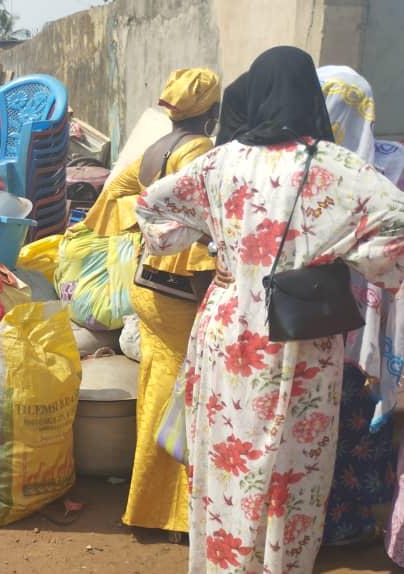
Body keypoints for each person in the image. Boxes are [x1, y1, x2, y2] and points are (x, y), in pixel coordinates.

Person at [136, 46, 404, 573]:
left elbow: (152, 209)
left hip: (228, 331)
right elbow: (396, 235)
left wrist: (215, 240)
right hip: (304, 334)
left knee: (226, 463)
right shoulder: (341, 168)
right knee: (293, 472)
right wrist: (346, 255)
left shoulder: (219, 162)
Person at [78, 68, 220, 538]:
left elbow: (116, 195)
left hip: (146, 284)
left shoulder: (155, 148)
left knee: (157, 386)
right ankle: (168, 511)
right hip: (179, 292)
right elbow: (199, 221)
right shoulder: (198, 150)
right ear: (212, 111)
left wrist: (148, 227)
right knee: (180, 397)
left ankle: (146, 499)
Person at [313, 65, 402, 548]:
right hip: (371, 317)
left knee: (319, 418)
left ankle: (317, 524)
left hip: (310, 315)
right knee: (358, 413)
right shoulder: (392, 163)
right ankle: (352, 520)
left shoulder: (297, 165)